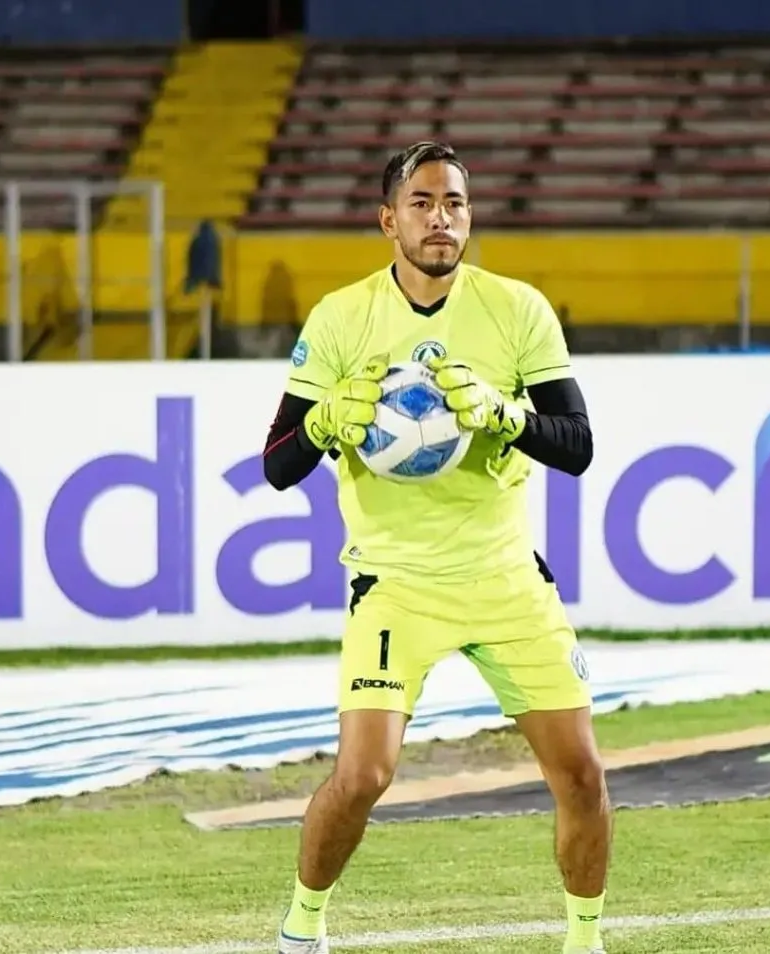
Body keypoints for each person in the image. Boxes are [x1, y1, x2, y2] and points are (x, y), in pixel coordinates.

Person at [263, 141, 611, 954]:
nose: (440, 218)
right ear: (389, 221)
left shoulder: (518, 309)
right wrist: (320, 423)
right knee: (362, 779)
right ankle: (302, 928)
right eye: (421, 203)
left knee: (584, 777)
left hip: (505, 580)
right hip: (395, 585)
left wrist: (505, 414)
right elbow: (278, 464)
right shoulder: (341, 317)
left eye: (453, 202)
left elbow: (580, 444)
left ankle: (584, 941)